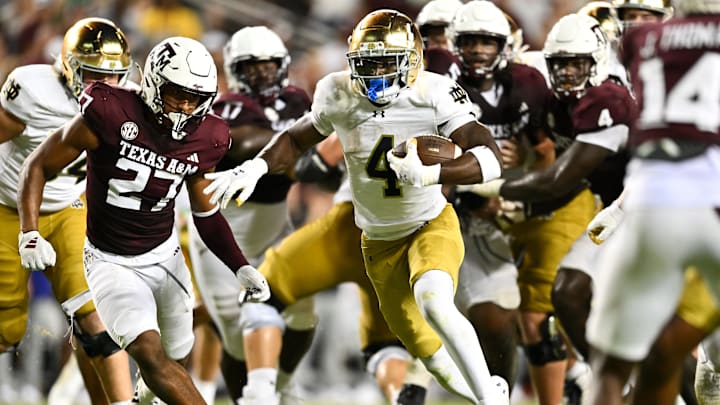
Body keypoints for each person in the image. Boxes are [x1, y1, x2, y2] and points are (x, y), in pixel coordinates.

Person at [204, 8, 510, 405]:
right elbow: (296, 139)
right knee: (430, 356)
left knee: (434, 300)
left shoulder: (432, 92)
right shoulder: (338, 91)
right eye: (368, 63)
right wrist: (257, 166)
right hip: (376, 239)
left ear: (411, 61)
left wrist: (435, 174)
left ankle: (489, 397)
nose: (377, 73)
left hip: (428, 224)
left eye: (387, 62)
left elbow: (491, 157)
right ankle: (488, 392)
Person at [16, 35, 270, 405]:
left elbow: (206, 211)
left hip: (166, 256)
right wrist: (30, 231)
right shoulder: (109, 111)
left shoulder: (210, 136)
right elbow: (38, 164)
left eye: (194, 99)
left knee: (175, 359)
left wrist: (240, 266)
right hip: (110, 259)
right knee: (150, 354)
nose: (184, 108)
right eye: (176, 95)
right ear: (152, 84)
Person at [459, 13, 631, 405]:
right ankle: (612, 383)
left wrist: (485, 181)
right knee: (566, 293)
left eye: (577, 63)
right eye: (560, 64)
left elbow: (561, 178)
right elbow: (574, 179)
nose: (568, 73)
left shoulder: (607, 99)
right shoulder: (555, 105)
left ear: (598, 61)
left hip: (647, 206)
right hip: (612, 208)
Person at [584, 1, 720, 404]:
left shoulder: (641, 40)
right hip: (713, 206)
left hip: (656, 210)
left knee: (611, 366)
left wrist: (619, 208)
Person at [0, 17, 135, 405]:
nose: (106, 87)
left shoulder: (128, 103)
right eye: (95, 75)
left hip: (69, 209)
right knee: (6, 328)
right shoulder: (34, 91)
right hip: (7, 206)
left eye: (114, 77)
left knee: (97, 319)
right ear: (71, 67)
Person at [186, 25, 314, 404]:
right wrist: (288, 142)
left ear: (283, 65)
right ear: (237, 70)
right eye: (251, 66)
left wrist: (291, 143)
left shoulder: (297, 100)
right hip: (223, 223)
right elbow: (238, 142)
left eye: (268, 65)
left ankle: (279, 384)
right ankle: (250, 392)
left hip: (275, 219)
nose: (261, 73)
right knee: (232, 331)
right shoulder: (225, 106)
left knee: (302, 311)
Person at [447, 0, 555, 390]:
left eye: (486, 42)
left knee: (541, 312)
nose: (477, 49)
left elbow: (544, 149)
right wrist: (473, 195)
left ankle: (571, 380)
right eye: (470, 41)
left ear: (504, 46)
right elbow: (431, 159)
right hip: (463, 214)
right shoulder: (440, 83)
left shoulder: (528, 81)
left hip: (517, 209)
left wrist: (527, 194)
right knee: (492, 318)